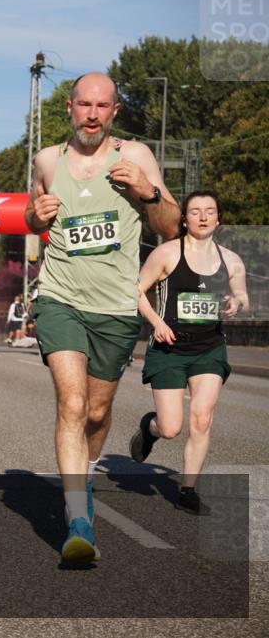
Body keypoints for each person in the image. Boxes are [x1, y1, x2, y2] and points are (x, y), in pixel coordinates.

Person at [26, 72, 179, 565]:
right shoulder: (48, 160)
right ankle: (78, 520)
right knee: (71, 404)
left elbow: (172, 226)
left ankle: (86, 470)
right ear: (69, 108)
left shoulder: (134, 158)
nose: (92, 113)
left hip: (114, 307)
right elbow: (30, 216)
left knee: (95, 412)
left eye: (102, 106)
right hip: (59, 297)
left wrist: (148, 193)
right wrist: (37, 216)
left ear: (114, 112)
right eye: (84, 104)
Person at [130, 191, 248, 514]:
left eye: (210, 211)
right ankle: (148, 428)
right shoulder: (167, 253)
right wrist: (155, 322)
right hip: (169, 348)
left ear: (219, 218)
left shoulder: (231, 260)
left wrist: (235, 303)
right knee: (170, 428)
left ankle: (187, 490)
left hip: (209, 347)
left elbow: (242, 295)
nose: (203, 216)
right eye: (195, 211)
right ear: (184, 219)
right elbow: (136, 290)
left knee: (202, 418)